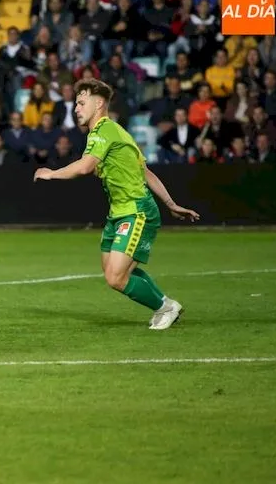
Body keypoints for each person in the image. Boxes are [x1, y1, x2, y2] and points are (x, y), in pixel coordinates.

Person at [34, 78, 201, 330]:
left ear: (99, 103)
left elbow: (86, 165)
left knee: (115, 276)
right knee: (114, 271)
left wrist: (52, 173)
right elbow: (144, 171)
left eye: (81, 103)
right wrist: (170, 203)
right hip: (119, 212)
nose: (76, 108)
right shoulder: (115, 132)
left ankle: (165, 307)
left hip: (136, 210)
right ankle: (165, 302)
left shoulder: (105, 130)